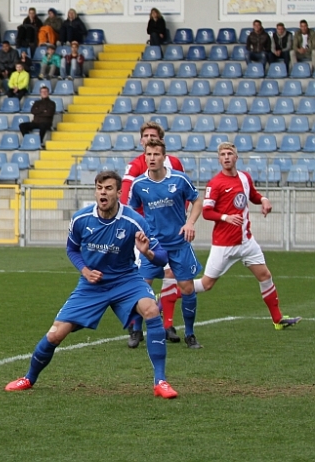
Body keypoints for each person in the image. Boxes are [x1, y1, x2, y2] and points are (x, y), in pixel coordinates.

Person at [5, 171, 177, 398]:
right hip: (91, 285)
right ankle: (28, 378)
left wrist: (147, 253)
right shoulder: (81, 219)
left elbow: (162, 257)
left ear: (118, 192)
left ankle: (160, 382)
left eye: (108, 188)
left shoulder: (134, 220)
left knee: (151, 309)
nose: (103, 193)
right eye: (99, 188)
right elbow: (72, 249)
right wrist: (85, 270)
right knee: (55, 334)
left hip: (126, 280)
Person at [196, 143, 301, 331]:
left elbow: (252, 195)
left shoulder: (244, 177)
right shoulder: (215, 183)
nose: (226, 157)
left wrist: (263, 199)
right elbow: (207, 212)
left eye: (230, 154)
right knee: (206, 285)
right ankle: (168, 295)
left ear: (236, 157)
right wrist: (226, 217)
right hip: (224, 244)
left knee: (265, 275)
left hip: (246, 241)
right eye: (223, 154)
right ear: (219, 159)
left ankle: (278, 320)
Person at [128, 139, 204, 349]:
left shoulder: (179, 179)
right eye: (148, 154)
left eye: (156, 154)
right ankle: (136, 330)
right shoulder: (139, 184)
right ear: (145, 157)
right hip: (153, 245)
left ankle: (190, 334)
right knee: (142, 287)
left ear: (164, 157)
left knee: (187, 288)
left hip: (179, 244)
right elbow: (132, 210)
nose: (152, 158)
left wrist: (190, 223)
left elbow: (197, 201)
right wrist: (137, 232)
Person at [120, 121, 185, 347]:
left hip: (171, 232)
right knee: (142, 279)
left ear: (161, 141)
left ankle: (167, 324)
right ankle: (136, 327)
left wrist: (182, 219)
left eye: (153, 136)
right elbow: (126, 197)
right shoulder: (135, 165)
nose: (149, 139)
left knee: (171, 275)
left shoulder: (174, 163)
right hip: (144, 231)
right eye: (145, 136)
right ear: (141, 141)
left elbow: (183, 191)